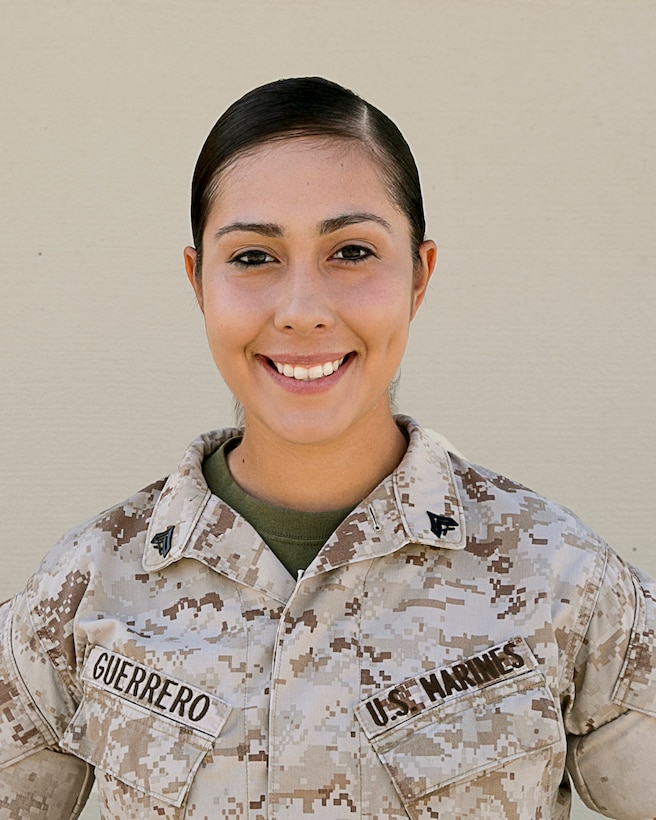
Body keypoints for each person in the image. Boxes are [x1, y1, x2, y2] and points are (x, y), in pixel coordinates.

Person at [0, 77, 654, 820]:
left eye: (351, 251)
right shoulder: (88, 587)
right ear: (198, 282)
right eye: (252, 257)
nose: (303, 311)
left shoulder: (559, 579)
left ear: (419, 275)